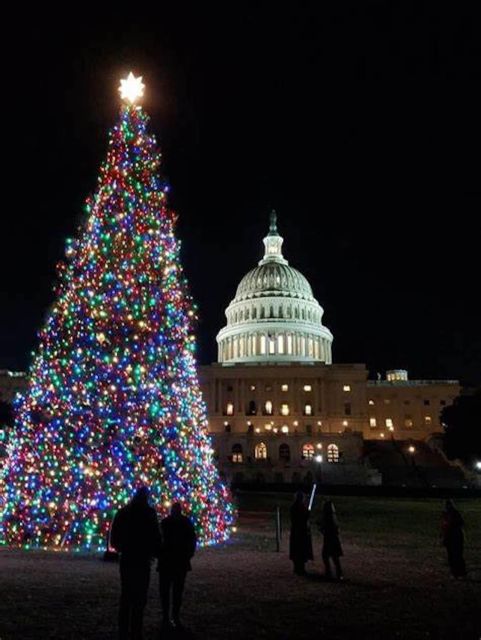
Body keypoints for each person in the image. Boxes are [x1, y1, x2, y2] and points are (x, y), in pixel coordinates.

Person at [110, 486, 161, 640]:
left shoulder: (123, 512)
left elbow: (114, 539)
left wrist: (122, 548)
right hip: (142, 560)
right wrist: (154, 552)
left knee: (126, 595)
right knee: (139, 597)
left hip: (128, 559)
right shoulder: (149, 513)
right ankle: (136, 631)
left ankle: (123, 631)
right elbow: (156, 537)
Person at [158, 502, 197, 631]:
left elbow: (191, 540)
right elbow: (192, 540)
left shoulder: (166, 522)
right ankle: (171, 616)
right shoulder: (184, 523)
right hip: (176, 562)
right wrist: (188, 555)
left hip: (170, 562)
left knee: (170, 591)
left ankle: (169, 616)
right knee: (174, 591)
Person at [289, 490, 313, 575]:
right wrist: (307, 514)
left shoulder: (296, 507)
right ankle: (299, 568)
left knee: (298, 550)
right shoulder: (299, 507)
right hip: (300, 531)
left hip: (297, 531)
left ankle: (298, 568)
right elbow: (302, 519)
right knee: (300, 550)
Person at [441, 499, 466, 578]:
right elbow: (445, 526)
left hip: (454, 537)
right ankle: (456, 572)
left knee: (456, 555)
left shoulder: (453, 514)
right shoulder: (448, 514)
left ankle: (459, 572)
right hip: (453, 537)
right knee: (453, 556)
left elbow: (448, 526)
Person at [319, 500, 343, 580]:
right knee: (334, 557)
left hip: (329, 540)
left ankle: (330, 572)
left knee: (327, 556)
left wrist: (321, 528)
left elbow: (324, 529)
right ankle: (338, 573)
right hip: (333, 539)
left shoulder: (328, 518)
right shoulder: (333, 517)